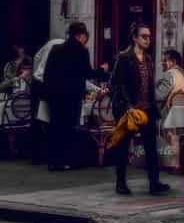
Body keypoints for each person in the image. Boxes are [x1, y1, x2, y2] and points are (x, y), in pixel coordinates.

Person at [109, 23, 170, 195]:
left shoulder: (149, 59)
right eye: (144, 36)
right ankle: (120, 182)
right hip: (129, 110)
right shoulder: (124, 58)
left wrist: (153, 107)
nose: (148, 39)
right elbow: (118, 85)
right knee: (123, 145)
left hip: (146, 110)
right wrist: (127, 107)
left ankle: (154, 182)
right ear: (135, 38)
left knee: (151, 146)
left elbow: (150, 85)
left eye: (149, 36)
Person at [42, 22, 107, 171]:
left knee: (56, 127)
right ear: (80, 35)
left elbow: (47, 72)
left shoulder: (56, 49)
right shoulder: (81, 51)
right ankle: (69, 160)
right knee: (71, 128)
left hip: (55, 96)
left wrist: (49, 92)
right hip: (72, 96)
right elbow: (87, 73)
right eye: (85, 36)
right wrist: (102, 71)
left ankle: (54, 161)